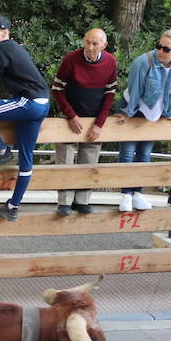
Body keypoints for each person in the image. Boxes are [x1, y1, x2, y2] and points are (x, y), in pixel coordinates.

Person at [0, 17, 52, 221]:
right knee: (26, 159)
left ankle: (1, 149)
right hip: (42, 104)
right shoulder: (15, 48)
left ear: (5, 32)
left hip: (29, 102)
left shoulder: (1, 48)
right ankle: (13, 206)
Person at [114, 26, 171, 212]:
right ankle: (126, 194)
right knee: (127, 153)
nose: (160, 51)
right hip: (135, 108)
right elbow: (135, 90)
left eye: (166, 49)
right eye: (159, 46)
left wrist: (170, 112)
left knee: (144, 154)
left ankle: (138, 193)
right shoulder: (144, 61)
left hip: (155, 113)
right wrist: (128, 113)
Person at [50, 28, 118, 215]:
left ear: (104, 45)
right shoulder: (71, 59)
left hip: (94, 118)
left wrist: (100, 123)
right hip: (70, 116)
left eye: (95, 43)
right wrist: (70, 115)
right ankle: (63, 202)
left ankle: (82, 200)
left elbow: (110, 93)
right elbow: (57, 89)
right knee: (65, 159)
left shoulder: (110, 61)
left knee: (89, 160)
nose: (90, 47)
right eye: (87, 42)